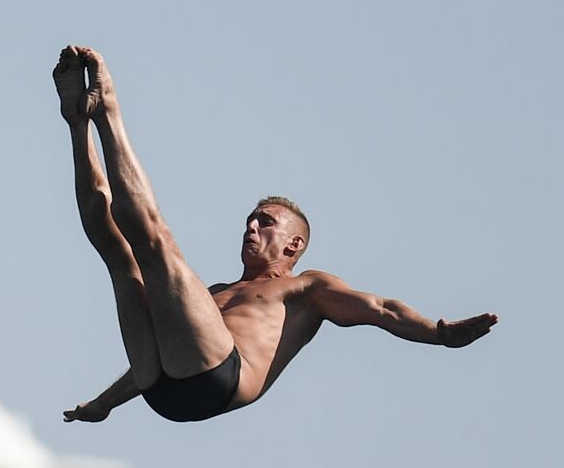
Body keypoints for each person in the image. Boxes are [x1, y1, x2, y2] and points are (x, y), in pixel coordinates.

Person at [53, 45, 497, 424]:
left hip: (220, 379)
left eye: (265, 221)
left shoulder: (306, 289)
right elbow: (168, 351)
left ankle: (108, 111)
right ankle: (78, 123)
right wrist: (105, 404)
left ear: (294, 244)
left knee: (156, 246)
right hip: (161, 390)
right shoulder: (216, 294)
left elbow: (381, 309)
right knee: (117, 253)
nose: (250, 226)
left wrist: (437, 333)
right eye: (249, 219)